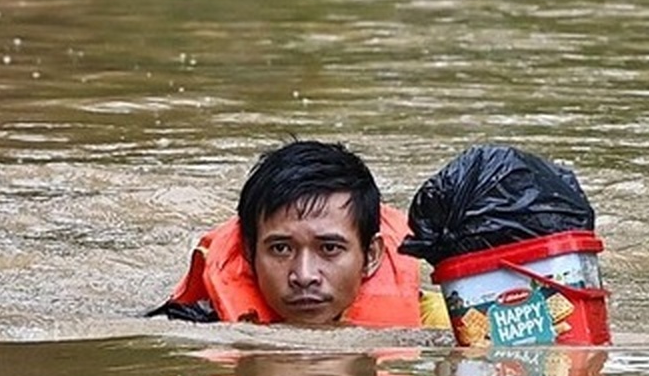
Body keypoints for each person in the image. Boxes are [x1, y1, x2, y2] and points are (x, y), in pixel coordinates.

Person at [150, 140, 444, 327]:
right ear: (250, 254)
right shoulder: (194, 324)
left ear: (370, 256)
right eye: (280, 248)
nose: (304, 276)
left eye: (329, 248)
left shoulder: (437, 323)